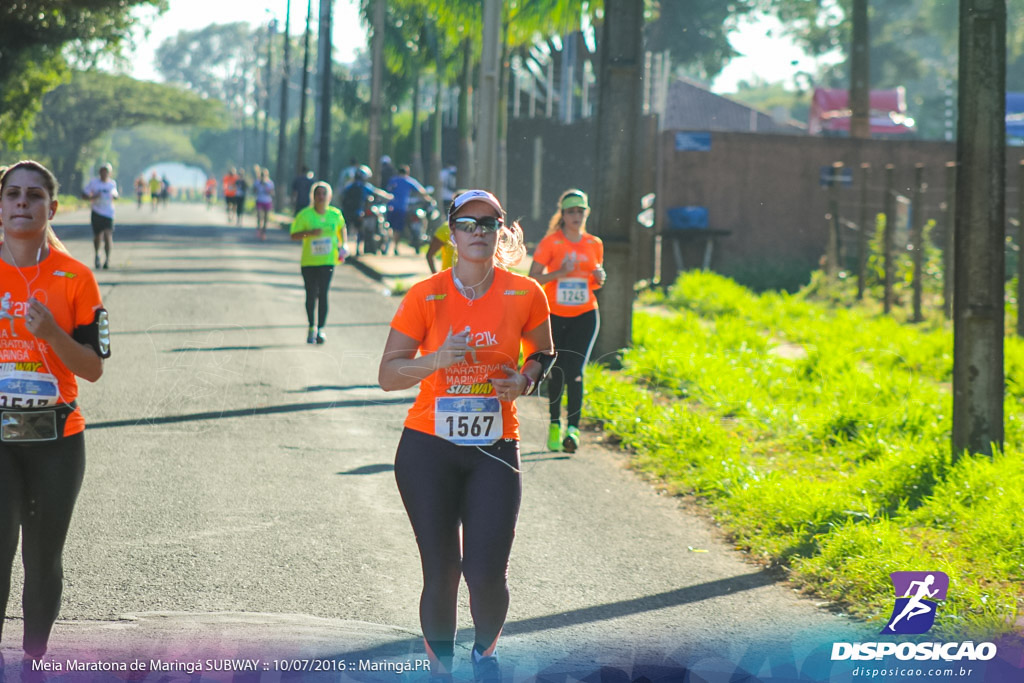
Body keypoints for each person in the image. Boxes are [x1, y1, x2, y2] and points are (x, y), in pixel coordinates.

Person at [378, 189, 555, 682]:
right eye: (468, 224)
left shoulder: (525, 293)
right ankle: (441, 669)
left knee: (485, 573)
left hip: (494, 449)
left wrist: (524, 379)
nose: (479, 232)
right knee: (442, 572)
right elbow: (388, 375)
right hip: (427, 447)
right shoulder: (426, 295)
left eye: (489, 223)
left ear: (501, 231)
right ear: (451, 234)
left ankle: (485, 655)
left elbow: (543, 352)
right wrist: (437, 359)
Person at [0, 160, 110, 661]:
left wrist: (51, 334)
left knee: (42, 559)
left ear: (52, 207)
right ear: (0, 206)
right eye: (13, 194)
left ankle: (33, 660)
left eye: (34, 196)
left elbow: (92, 368)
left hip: (56, 439)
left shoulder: (75, 278)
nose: (22, 203)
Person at [528, 189, 606, 453]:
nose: (576, 216)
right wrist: (559, 273)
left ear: (586, 213)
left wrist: (600, 276)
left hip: (585, 314)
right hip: (555, 314)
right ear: (563, 215)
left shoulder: (594, 243)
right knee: (557, 370)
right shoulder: (551, 243)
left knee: (576, 371)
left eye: (580, 211)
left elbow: (595, 282)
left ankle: (573, 429)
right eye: (571, 211)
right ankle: (554, 425)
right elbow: (533, 277)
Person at [289, 181, 346, 344]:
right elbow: (293, 235)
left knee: (323, 293)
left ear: (329, 196)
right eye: (317, 194)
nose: (320, 197)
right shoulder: (304, 215)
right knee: (311, 294)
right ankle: (311, 327)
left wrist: (344, 245)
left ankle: (321, 329)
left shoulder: (335, 214)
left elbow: (342, 228)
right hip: (309, 262)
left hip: (328, 261)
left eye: (323, 194)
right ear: (313, 197)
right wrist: (310, 233)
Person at [340, 166, 392, 255]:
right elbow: (376, 192)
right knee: (360, 230)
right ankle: (357, 249)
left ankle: (343, 248)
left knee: (346, 230)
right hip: (359, 213)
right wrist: (389, 197)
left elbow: (342, 196)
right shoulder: (364, 186)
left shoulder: (349, 186)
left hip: (347, 212)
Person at [385, 165, 435, 255]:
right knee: (398, 229)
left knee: (389, 226)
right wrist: (429, 199)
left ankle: (387, 244)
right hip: (401, 207)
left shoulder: (392, 180)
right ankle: (395, 247)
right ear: (407, 173)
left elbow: (388, 192)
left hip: (390, 207)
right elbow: (421, 191)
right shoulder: (409, 181)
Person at [81, 163, 119, 270]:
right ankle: (97, 254)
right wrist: (93, 196)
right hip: (97, 212)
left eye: (106, 171)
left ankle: (107, 258)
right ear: (100, 172)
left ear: (109, 173)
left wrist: (115, 196)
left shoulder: (112, 184)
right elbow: (84, 195)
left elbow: (116, 195)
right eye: (102, 171)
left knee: (108, 236)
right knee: (98, 236)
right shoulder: (94, 183)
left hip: (109, 213)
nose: (104, 173)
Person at [252, 168, 275, 239]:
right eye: (262, 175)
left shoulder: (270, 183)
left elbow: (272, 193)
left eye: (264, 175)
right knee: (259, 215)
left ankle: (264, 231)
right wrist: (258, 186)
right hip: (259, 200)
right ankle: (259, 228)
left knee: (266, 217)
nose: (263, 176)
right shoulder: (257, 182)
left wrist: (266, 187)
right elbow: (254, 191)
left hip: (267, 201)